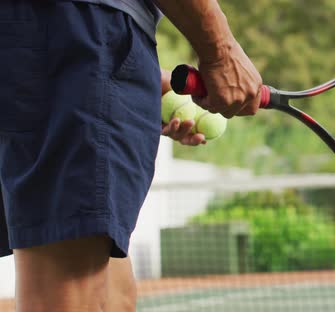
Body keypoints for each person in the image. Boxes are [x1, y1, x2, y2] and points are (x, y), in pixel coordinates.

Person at [0, 1, 262, 311]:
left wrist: (145, 80)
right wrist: (221, 51)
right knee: (72, 295)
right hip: (75, 32)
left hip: (50, 39)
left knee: (113, 296)